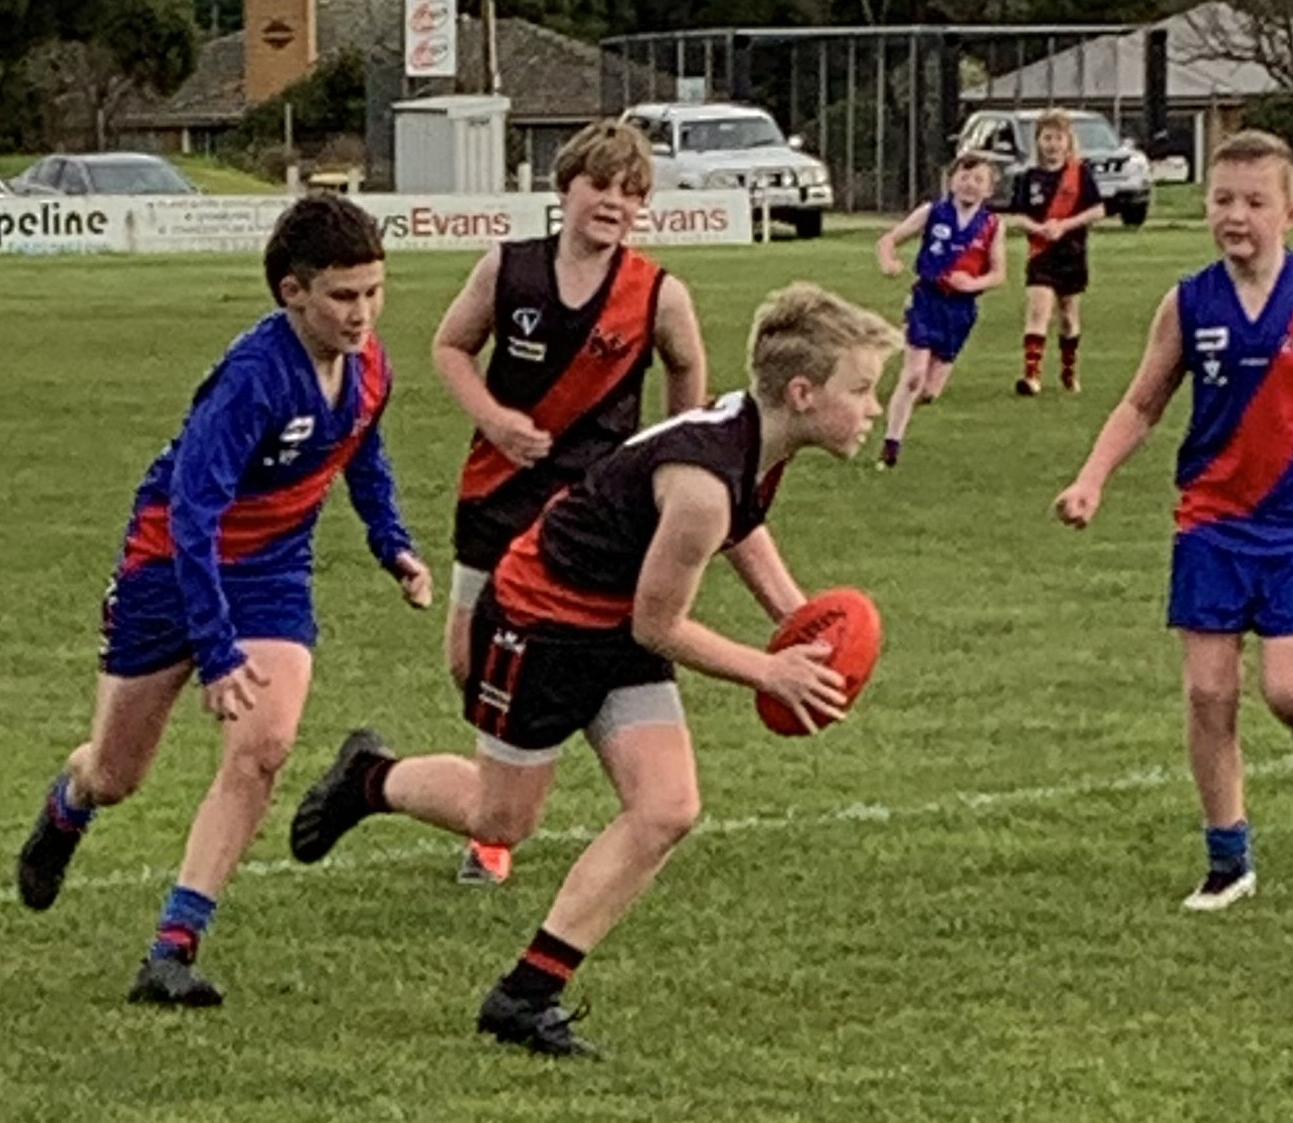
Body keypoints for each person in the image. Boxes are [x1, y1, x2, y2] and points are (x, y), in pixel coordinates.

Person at [290, 283, 901, 1056]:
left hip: (612, 626)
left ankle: (525, 995)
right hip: (539, 625)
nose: (874, 407)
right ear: (804, 393)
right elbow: (662, 622)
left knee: (667, 807)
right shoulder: (703, 485)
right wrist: (768, 671)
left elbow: (743, 530)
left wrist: (797, 620)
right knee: (501, 819)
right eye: (862, 390)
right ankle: (371, 777)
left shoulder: (751, 440)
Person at [14, 195, 433, 1005]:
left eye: (375, 292)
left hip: (271, 572)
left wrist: (393, 545)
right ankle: (68, 807)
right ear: (292, 293)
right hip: (169, 569)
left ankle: (172, 948)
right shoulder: (250, 381)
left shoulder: (372, 366)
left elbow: (361, 451)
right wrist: (215, 649)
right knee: (117, 773)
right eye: (344, 296)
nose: (363, 313)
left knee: (264, 749)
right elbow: (192, 518)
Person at [1053, 130, 1293, 912]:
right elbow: (1143, 403)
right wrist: (1091, 480)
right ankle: (1228, 858)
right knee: (1209, 694)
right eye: (1222, 200)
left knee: (1291, 689)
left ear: (1291, 212)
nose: (1236, 215)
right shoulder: (1188, 301)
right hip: (1211, 522)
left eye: (1255, 201)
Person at [431, 118, 707, 886]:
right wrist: (493, 418)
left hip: (588, 516)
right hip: (495, 496)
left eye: (630, 191)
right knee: (467, 659)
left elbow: (688, 374)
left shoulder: (657, 293)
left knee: (586, 649)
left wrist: (662, 454)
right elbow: (450, 347)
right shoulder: (508, 271)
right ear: (564, 190)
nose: (613, 201)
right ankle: (496, 794)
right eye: (599, 185)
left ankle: (495, 834)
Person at [873, 153, 1008, 470]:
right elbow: (888, 241)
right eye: (964, 176)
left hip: (960, 311)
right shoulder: (933, 212)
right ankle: (891, 444)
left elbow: (999, 274)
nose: (969, 185)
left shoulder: (991, 225)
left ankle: (902, 407)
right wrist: (889, 262)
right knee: (913, 375)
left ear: (988, 191)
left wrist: (972, 284)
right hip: (927, 299)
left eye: (978, 180)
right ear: (951, 180)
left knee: (930, 390)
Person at [1009, 110, 1106, 397]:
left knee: (1067, 314)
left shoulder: (1080, 174)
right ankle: (1031, 375)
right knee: (1039, 309)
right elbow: (1017, 216)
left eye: (1058, 138)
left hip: (1072, 253)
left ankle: (1068, 370)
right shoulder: (1029, 178)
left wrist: (1064, 225)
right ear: (1038, 142)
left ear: (1068, 141)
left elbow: (1098, 210)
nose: (1052, 144)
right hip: (1042, 253)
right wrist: (1039, 227)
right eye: (1046, 137)